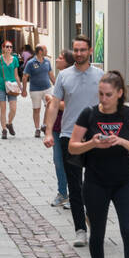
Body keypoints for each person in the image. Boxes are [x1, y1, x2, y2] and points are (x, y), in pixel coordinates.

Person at [69, 70, 129, 258]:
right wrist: (91, 143)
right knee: (98, 233)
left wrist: (122, 141)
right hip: (95, 181)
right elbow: (72, 147)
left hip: (125, 181)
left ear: (120, 93)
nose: (103, 99)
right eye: (100, 94)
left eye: (108, 95)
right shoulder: (88, 114)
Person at [43, 36, 103, 247]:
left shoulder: (100, 76)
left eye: (82, 50)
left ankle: (95, 220)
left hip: (95, 138)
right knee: (75, 186)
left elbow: (109, 105)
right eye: (76, 50)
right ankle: (80, 230)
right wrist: (49, 131)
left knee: (95, 186)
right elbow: (53, 105)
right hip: (70, 137)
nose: (79, 53)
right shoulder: (64, 76)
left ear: (89, 51)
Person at [49, 50, 74, 208]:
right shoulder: (60, 77)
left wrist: (53, 101)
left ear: (67, 62)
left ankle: (74, 195)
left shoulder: (71, 78)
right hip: (57, 126)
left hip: (71, 127)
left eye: (60, 58)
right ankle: (62, 193)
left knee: (71, 163)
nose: (57, 59)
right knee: (58, 161)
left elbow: (71, 104)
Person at [0, 40, 24, 138]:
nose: (9, 49)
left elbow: (16, 75)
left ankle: (9, 123)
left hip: (12, 87)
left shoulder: (15, 59)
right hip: (0, 86)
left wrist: (21, 87)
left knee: (13, 108)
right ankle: (4, 129)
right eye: (7, 47)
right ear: (3, 48)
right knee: (3, 109)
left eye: (11, 47)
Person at [23, 45, 55, 137]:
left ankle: (44, 125)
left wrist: (56, 85)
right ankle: (37, 129)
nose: (47, 51)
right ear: (40, 51)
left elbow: (51, 75)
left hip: (47, 88)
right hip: (35, 90)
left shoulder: (47, 61)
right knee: (36, 109)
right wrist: (24, 90)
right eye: (45, 50)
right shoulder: (31, 63)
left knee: (49, 107)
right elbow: (25, 77)